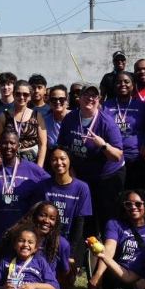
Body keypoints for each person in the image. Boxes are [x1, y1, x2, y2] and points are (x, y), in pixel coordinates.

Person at [58, 83, 124, 236]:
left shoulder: (107, 122)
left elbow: (117, 156)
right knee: (86, 215)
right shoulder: (70, 118)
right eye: (86, 95)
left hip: (106, 176)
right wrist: (70, 170)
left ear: (99, 99)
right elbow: (62, 147)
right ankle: (88, 246)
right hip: (81, 174)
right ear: (79, 98)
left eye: (94, 96)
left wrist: (103, 145)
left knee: (106, 216)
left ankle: (109, 246)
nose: (90, 98)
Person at [0, 131, 50, 243]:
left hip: (22, 233)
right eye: (4, 143)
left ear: (18, 145)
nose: (8, 146)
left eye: (12, 143)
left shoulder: (31, 169)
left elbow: (51, 183)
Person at [90, 190, 145, 289]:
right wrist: (98, 274)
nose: (133, 207)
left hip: (143, 273)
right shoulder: (115, 224)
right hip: (119, 271)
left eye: (138, 204)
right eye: (128, 204)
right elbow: (109, 248)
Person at [33, 148, 91, 278]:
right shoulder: (43, 186)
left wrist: (71, 254)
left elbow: (80, 223)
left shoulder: (82, 188)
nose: (59, 163)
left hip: (69, 243)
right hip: (45, 243)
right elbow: (36, 218)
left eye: (63, 159)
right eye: (54, 159)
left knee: (65, 282)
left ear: (70, 161)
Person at [104, 72, 145, 190]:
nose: (123, 84)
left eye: (127, 82)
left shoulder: (142, 106)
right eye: (119, 82)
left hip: (136, 159)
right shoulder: (106, 106)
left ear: (133, 85)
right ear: (114, 86)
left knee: (135, 192)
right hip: (113, 159)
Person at [0, 80, 48, 166]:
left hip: (32, 163)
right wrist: (4, 165)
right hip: (10, 162)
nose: (21, 97)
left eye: (25, 94)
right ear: (13, 95)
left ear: (30, 96)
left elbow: (43, 144)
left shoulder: (37, 116)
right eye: (18, 94)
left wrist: (39, 167)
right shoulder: (3, 116)